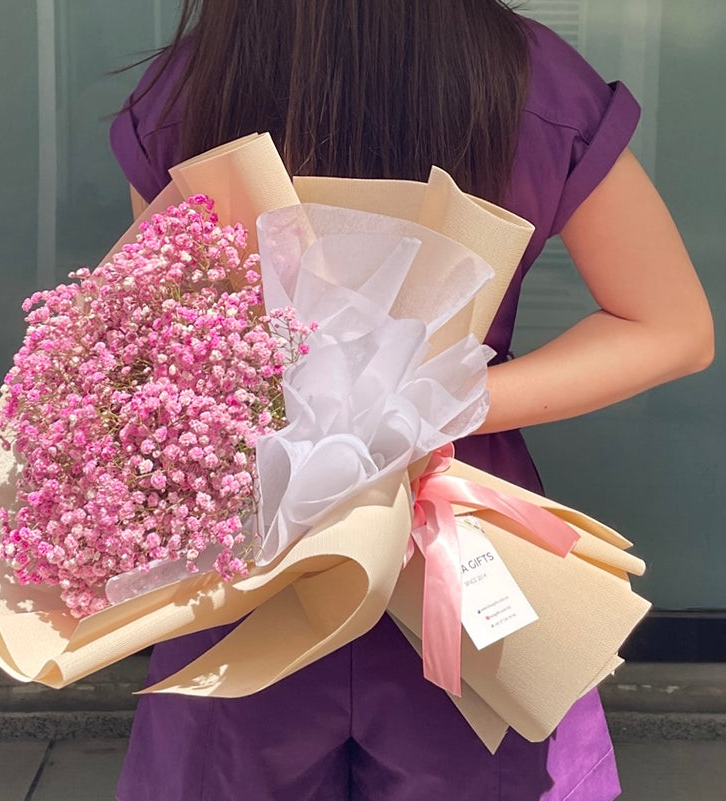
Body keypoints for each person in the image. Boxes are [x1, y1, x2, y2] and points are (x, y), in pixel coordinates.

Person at [109, 2, 714, 799]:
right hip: (456, 520)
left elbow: (161, 341)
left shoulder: (192, 86)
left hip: (262, 541)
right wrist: (435, 406)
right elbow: (670, 324)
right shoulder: (526, 78)